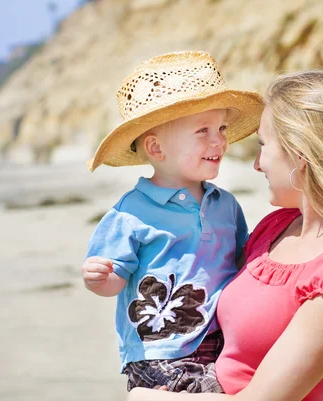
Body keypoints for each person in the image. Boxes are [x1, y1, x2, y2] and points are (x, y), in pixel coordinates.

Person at [122, 70, 323, 401]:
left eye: (263, 145)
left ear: (301, 155)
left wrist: (145, 397)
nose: (257, 164)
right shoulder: (276, 228)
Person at [82, 51, 263, 392]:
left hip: (220, 340)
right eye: (203, 130)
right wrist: (99, 279)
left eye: (222, 128)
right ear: (156, 148)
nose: (219, 140)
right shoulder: (130, 213)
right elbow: (114, 282)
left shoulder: (225, 205)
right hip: (158, 352)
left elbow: (243, 262)